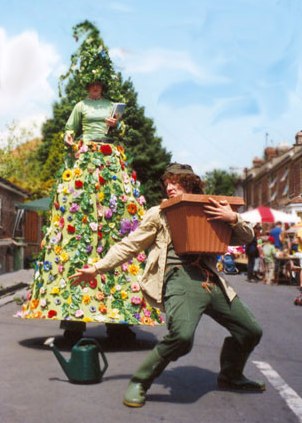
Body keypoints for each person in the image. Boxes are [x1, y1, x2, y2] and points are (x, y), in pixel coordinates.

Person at [70, 162, 265, 408]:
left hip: (210, 279)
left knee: (251, 331)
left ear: (191, 183)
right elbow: (131, 244)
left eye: (176, 182)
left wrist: (233, 218)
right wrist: (98, 267)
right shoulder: (160, 213)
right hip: (179, 277)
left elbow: (247, 237)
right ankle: (140, 382)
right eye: (167, 184)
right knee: (182, 337)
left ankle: (231, 374)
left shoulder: (211, 207)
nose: (170, 188)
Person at [17, 78, 163, 336]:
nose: (94, 89)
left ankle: (118, 321)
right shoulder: (80, 106)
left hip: (109, 159)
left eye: (97, 86)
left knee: (116, 230)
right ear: (87, 88)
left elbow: (125, 132)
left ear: (102, 87)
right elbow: (68, 131)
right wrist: (71, 139)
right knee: (77, 232)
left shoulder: (111, 106)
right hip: (85, 159)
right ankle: (73, 320)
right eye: (91, 86)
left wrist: (116, 126)